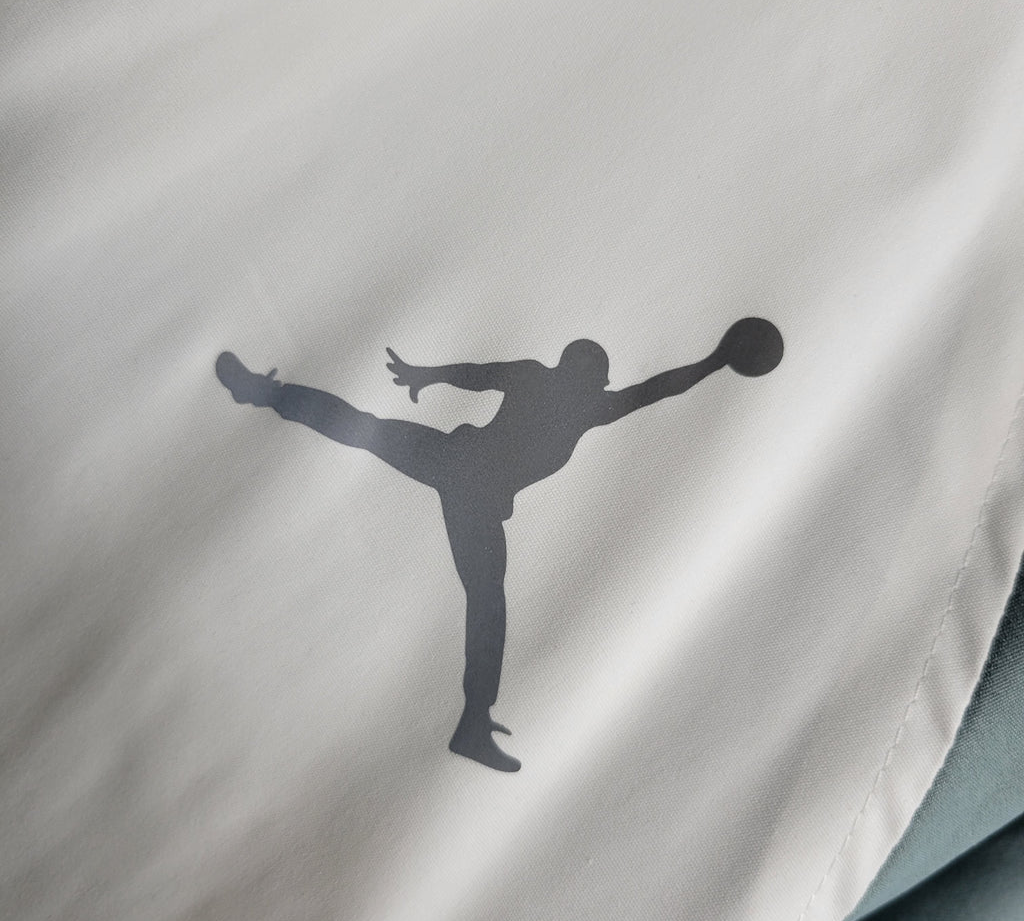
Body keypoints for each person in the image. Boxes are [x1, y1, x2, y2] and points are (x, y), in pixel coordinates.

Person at [215, 317, 783, 771]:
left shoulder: (569, 394)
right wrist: (714, 361)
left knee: (370, 435)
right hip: (468, 481)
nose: (600, 382)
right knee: (484, 596)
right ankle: (473, 721)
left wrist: (426, 375)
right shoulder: (575, 398)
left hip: (460, 473)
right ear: (584, 374)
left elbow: (488, 375)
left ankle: (266, 393)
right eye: (597, 373)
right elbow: (492, 373)